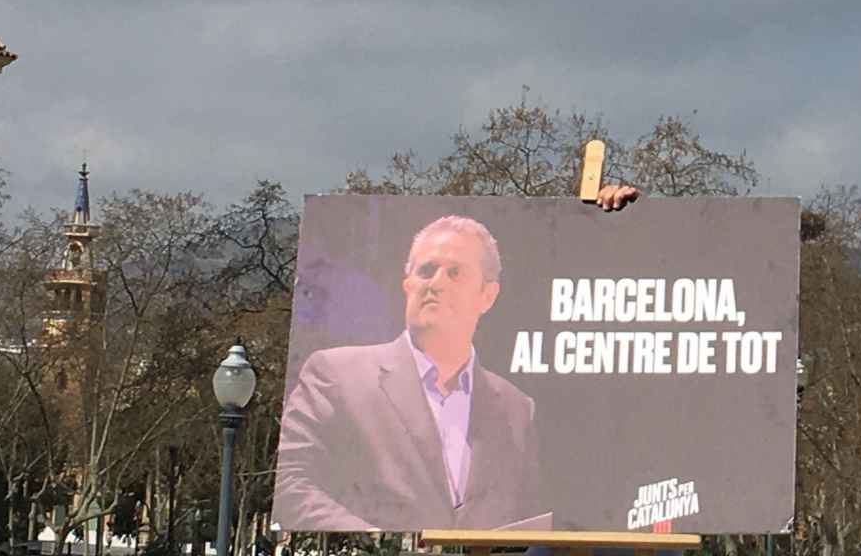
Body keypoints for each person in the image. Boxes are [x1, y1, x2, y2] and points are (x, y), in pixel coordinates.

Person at [274, 185, 639, 530]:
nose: (436, 282)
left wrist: (623, 223)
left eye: (455, 273)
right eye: (426, 270)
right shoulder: (337, 375)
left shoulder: (516, 409)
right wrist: (377, 540)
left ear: (487, 295)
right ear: (407, 285)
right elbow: (293, 486)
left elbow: (533, 518)